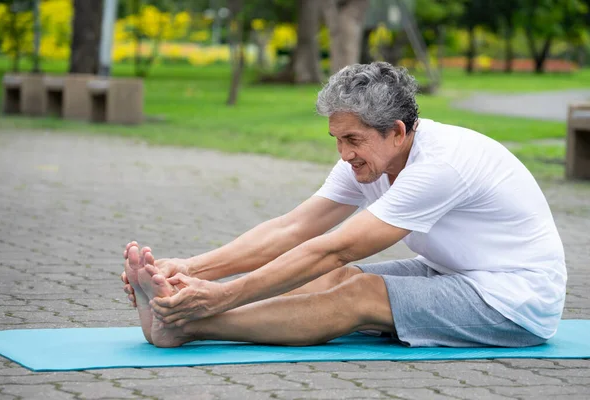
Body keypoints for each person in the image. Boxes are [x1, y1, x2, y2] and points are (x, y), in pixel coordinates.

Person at [121, 62, 567, 348]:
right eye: (337, 139)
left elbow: (336, 247)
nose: (344, 153)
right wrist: (190, 271)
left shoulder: (441, 164)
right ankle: (183, 311)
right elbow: (291, 229)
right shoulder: (369, 161)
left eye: (353, 139)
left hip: (514, 301)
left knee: (358, 290)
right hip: (455, 273)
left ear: (397, 130)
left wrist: (218, 297)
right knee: (335, 278)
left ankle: (190, 326)